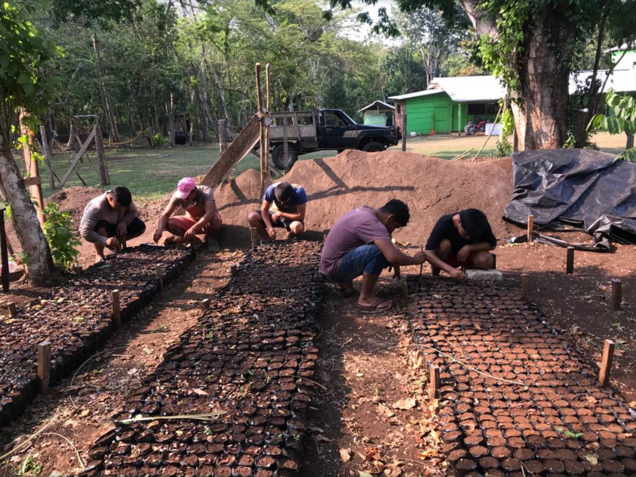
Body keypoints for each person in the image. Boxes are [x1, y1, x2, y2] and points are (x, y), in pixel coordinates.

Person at [320, 199, 427, 313]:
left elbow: (387, 241)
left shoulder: (366, 211)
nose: (392, 230)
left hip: (330, 265)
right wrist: (415, 260)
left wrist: (395, 259)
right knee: (379, 251)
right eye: (394, 227)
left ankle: (346, 284)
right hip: (334, 269)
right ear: (390, 218)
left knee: (382, 249)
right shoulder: (372, 223)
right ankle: (365, 298)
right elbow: (391, 256)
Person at [424, 208, 497, 281]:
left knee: (486, 260)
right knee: (445, 244)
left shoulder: (480, 223)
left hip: (467, 256)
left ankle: (463, 272)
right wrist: (450, 270)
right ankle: (435, 276)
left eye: (472, 236)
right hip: (447, 256)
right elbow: (428, 253)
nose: (468, 238)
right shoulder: (445, 222)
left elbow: (492, 244)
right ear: (459, 222)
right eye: (465, 234)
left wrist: (469, 247)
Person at [79, 186, 146, 263]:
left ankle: (115, 244)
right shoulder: (96, 208)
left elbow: (133, 211)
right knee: (101, 227)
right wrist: (104, 241)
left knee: (140, 227)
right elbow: (85, 231)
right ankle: (99, 254)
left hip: (118, 223)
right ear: (110, 199)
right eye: (118, 206)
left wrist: (123, 223)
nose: (122, 210)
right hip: (103, 227)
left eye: (125, 207)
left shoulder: (125, 200)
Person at [153, 177, 222, 247]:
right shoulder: (177, 196)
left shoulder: (206, 191)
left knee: (212, 217)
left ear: (194, 191)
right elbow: (165, 215)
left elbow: (210, 213)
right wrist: (159, 231)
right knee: (169, 223)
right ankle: (194, 241)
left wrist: (194, 228)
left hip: (208, 222)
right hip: (191, 219)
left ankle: (212, 238)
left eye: (186, 197)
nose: (184, 199)